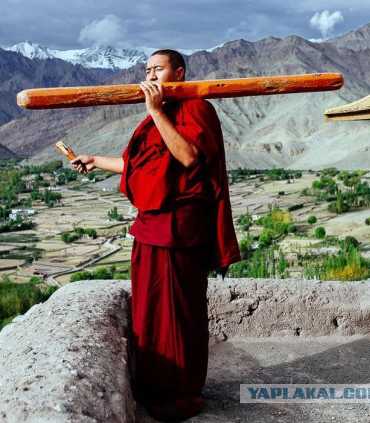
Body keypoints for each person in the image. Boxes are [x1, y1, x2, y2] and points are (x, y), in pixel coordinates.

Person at [71, 49, 240, 422]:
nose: (149, 74)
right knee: (151, 314)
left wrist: (157, 112)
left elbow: (189, 157)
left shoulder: (196, 108)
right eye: (146, 69)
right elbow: (142, 166)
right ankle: (155, 386)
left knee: (179, 315)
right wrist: (95, 159)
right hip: (151, 228)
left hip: (179, 231)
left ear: (177, 73)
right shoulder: (160, 116)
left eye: (157, 69)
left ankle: (184, 394)